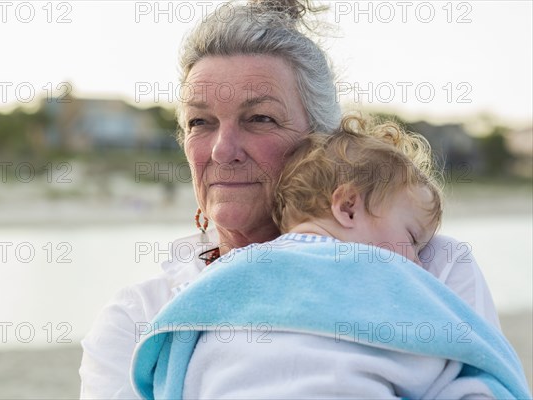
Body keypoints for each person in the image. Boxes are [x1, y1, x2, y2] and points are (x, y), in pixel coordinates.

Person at [79, 1, 502, 398]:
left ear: (321, 139)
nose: (223, 150)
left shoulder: (432, 267)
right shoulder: (140, 318)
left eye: (259, 118)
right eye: (200, 122)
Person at [130, 116, 530, 399]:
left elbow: (175, 353)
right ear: (348, 208)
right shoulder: (387, 278)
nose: (421, 262)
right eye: (411, 237)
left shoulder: (228, 275)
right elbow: (456, 360)